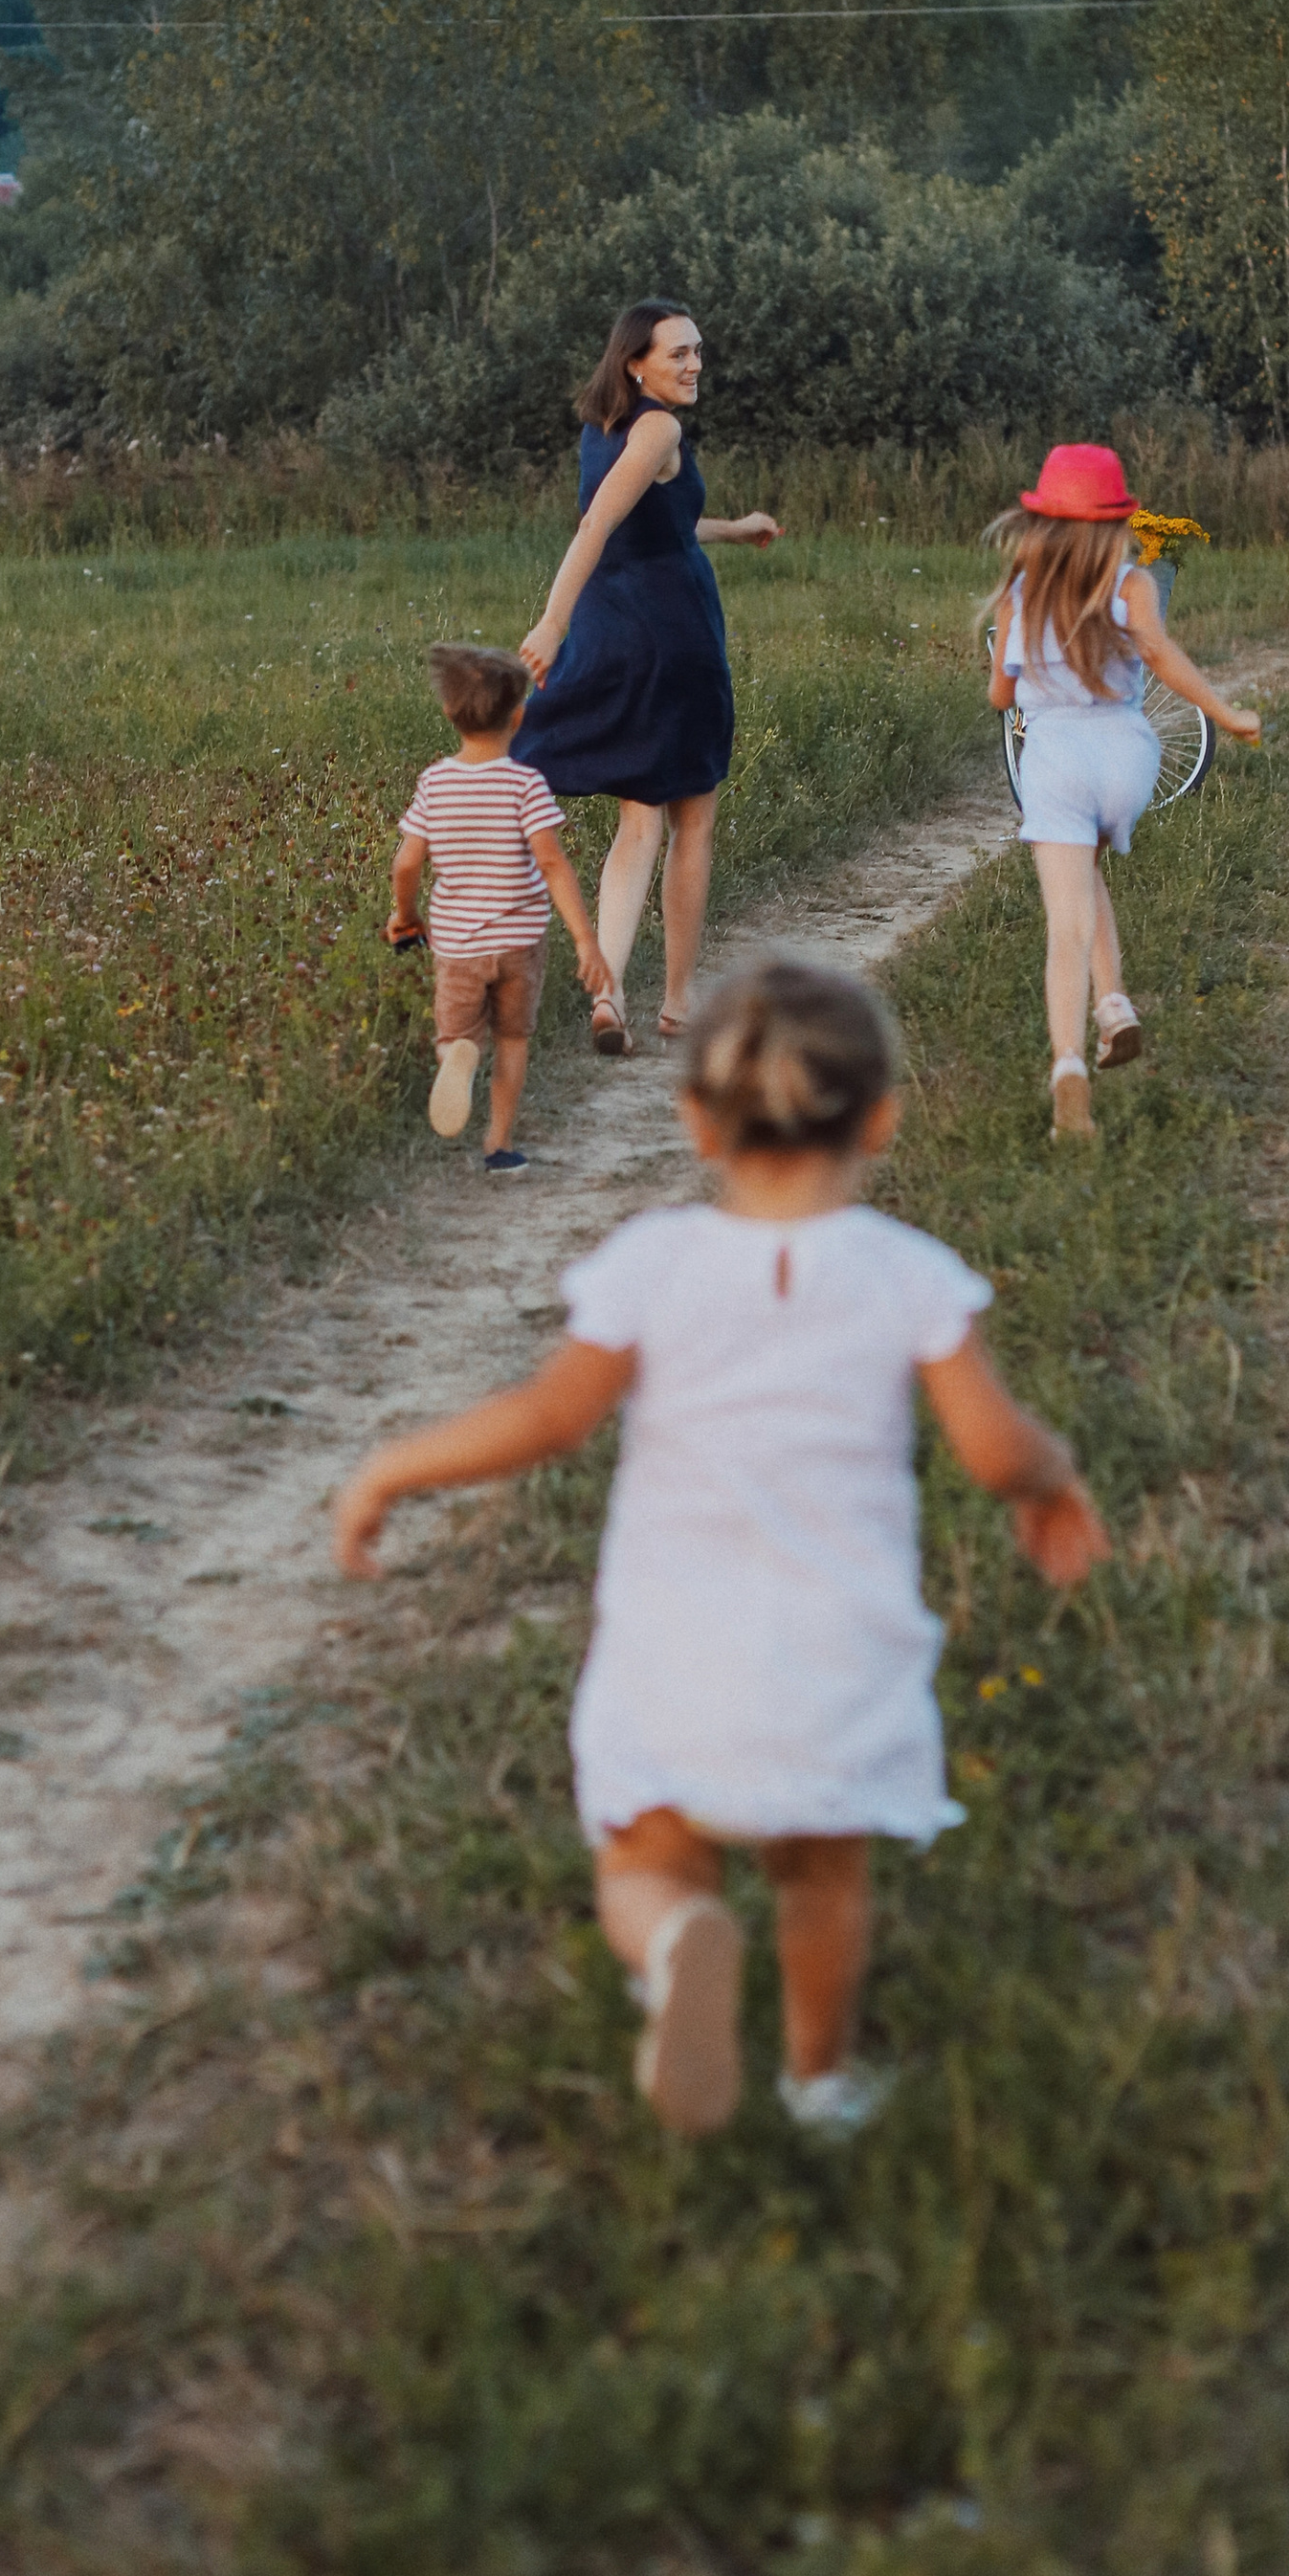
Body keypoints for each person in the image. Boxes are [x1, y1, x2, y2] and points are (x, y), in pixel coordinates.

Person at [334, 955, 1108, 2139]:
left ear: (696, 1123)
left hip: (671, 1653)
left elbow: (548, 1420)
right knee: (819, 1882)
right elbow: (997, 1451)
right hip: (836, 1658)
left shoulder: (655, 1264)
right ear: (885, 1118)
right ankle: (817, 2082)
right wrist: (1050, 1484)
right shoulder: (907, 1277)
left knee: (648, 1861)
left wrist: (396, 1464)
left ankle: (679, 1943)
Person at [515, 300, 781, 1057]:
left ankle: (608, 992)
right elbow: (596, 527)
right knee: (692, 819)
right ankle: (676, 1002)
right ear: (637, 362)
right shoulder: (661, 428)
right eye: (679, 354)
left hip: (623, 628)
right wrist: (550, 623)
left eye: (698, 351)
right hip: (675, 636)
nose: (694, 364)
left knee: (640, 820)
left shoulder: (605, 429)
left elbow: (651, 519)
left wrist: (735, 528)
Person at [982, 443, 1261, 1142]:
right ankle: (1114, 1006)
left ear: (1040, 520)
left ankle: (1069, 1069)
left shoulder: (1023, 589)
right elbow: (1162, 657)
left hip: (1056, 758)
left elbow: (999, 695)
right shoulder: (1133, 585)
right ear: (1118, 522)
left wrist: (1018, 676)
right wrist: (1226, 714)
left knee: (1064, 926)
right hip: (1127, 757)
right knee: (1092, 863)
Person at [389, 643, 611, 1174]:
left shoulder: (435, 783)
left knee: (458, 1036)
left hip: (460, 946)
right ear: (518, 715)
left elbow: (406, 863)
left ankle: (457, 1060)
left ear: (448, 713)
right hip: (519, 943)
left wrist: (405, 915)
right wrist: (586, 939)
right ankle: (499, 1146)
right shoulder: (525, 784)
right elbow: (554, 865)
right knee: (512, 1040)